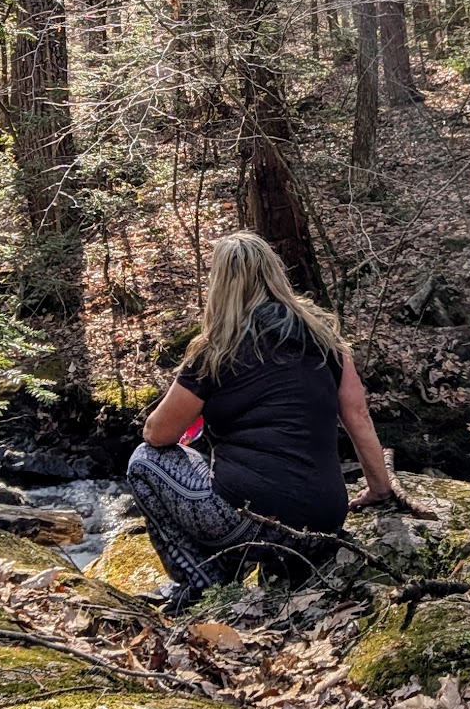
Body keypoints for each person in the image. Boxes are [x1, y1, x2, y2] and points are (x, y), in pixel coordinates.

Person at [126, 229, 403, 608]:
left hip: (250, 523)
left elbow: (158, 434)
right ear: (275, 274)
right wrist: (380, 489)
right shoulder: (326, 341)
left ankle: (202, 582)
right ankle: (226, 572)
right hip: (324, 522)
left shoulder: (216, 351)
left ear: (220, 285)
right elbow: (358, 418)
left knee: (143, 461)